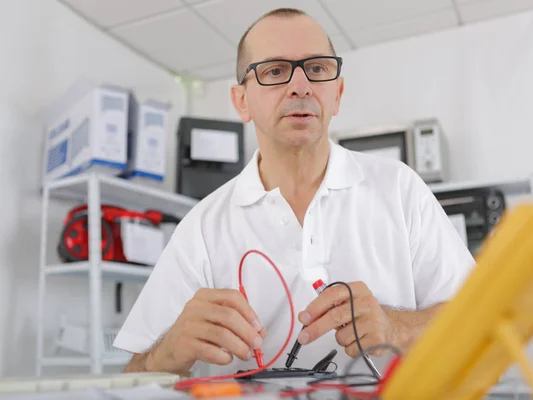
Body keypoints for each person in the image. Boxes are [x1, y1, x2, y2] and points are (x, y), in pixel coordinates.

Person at [114, 7, 474, 377]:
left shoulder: (401, 191)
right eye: (274, 71)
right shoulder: (202, 228)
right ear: (242, 101)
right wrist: (168, 352)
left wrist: (396, 327)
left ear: (337, 93)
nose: (300, 86)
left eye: (316, 69)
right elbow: (133, 376)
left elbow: (479, 319)